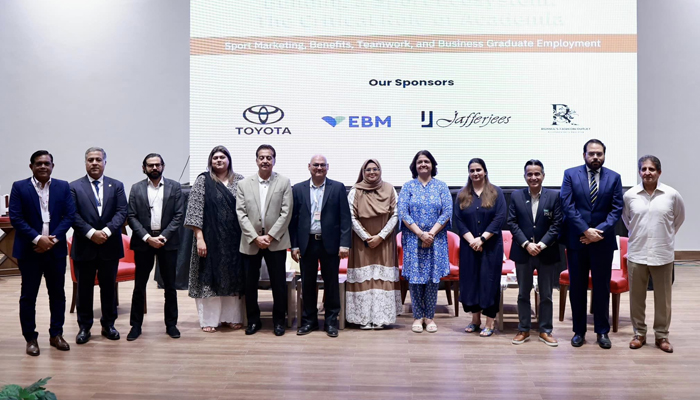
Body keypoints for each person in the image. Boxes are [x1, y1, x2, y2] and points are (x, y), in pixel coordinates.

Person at [9, 150, 76, 356]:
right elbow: (16, 218)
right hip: (29, 251)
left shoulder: (63, 186)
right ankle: (30, 338)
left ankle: (56, 334)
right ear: (31, 167)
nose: (43, 167)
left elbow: (70, 215)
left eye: (47, 163)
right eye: (39, 163)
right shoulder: (19, 187)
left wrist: (52, 240)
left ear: (52, 166)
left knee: (57, 294)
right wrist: (38, 239)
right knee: (28, 296)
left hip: (54, 251)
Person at [560, 139, 623, 349]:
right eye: (591, 153)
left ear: (604, 155)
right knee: (577, 287)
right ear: (584, 155)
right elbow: (567, 206)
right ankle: (579, 331)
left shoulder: (614, 177)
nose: (595, 157)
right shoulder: (570, 174)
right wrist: (586, 231)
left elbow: (616, 209)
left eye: (599, 154)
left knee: (602, 288)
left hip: (602, 243)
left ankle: (602, 332)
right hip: (578, 241)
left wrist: (599, 233)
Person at [623, 155, 685, 353]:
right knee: (636, 298)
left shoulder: (672, 195)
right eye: (644, 169)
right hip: (637, 254)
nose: (647, 173)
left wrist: (663, 237)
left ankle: (662, 336)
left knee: (663, 299)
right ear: (639, 172)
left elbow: (678, 219)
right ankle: (639, 333)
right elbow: (627, 220)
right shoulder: (630, 195)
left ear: (659, 172)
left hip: (662, 254)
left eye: (651, 169)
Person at [184, 145, 246, 333]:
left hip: (234, 241)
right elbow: (194, 210)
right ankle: (209, 320)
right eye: (215, 157)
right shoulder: (203, 181)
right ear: (210, 161)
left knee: (233, 279)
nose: (218, 160)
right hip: (209, 240)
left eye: (222, 157)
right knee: (208, 279)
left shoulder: (240, 181)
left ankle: (231, 317)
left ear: (229, 160)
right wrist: (200, 238)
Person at [70, 147, 128, 344]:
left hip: (109, 245)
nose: (94, 163)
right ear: (85, 163)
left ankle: (108, 325)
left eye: (98, 159)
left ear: (105, 162)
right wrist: (91, 233)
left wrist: (107, 232)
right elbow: (73, 215)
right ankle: (84, 327)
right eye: (90, 160)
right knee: (84, 289)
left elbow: (122, 212)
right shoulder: (74, 187)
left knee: (108, 288)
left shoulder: (117, 185)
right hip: (85, 246)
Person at [290, 154, 351, 338]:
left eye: (322, 165)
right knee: (307, 283)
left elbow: (345, 218)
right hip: (307, 242)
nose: (319, 168)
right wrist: (294, 246)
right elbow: (293, 221)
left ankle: (331, 321)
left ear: (328, 167)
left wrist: (344, 244)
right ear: (309, 166)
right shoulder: (298, 189)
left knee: (331, 284)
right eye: (315, 165)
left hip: (330, 244)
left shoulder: (338, 187)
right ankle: (309, 321)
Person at [126, 153, 184, 341]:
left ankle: (171, 325)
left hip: (167, 242)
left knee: (170, 286)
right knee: (139, 286)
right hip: (144, 243)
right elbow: (131, 216)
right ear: (144, 168)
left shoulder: (175, 187)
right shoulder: (136, 188)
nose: (154, 168)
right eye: (150, 165)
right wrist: (146, 237)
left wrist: (163, 236)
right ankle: (135, 326)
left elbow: (178, 216)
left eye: (158, 165)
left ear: (163, 166)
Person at [236, 145, 293, 336]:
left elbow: (286, 213)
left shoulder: (284, 182)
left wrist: (270, 236)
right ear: (256, 160)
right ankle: (253, 321)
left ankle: (279, 321)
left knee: (278, 284)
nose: (265, 161)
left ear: (274, 160)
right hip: (250, 242)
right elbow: (241, 213)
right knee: (250, 284)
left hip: (275, 241)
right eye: (262, 157)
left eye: (269, 157)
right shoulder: (244, 184)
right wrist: (254, 237)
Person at [507, 160, 563, 346]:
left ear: (543, 176)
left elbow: (557, 225)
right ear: (525, 177)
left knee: (546, 294)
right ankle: (524, 330)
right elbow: (512, 223)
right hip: (523, 253)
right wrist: (525, 244)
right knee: (523, 293)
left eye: (537, 174)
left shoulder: (554, 196)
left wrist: (541, 244)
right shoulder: (516, 196)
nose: (533, 177)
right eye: (529, 174)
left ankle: (545, 330)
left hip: (546, 253)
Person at [397, 150, 452, 334]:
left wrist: (431, 234)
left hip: (436, 240)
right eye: (420, 162)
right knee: (415, 278)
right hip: (413, 239)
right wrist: (421, 234)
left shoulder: (441, 186)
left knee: (431, 279)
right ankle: (417, 316)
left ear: (432, 165)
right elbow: (403, 212)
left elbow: (446, 212)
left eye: (427, 161)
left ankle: (429, 317)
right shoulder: (408, 187)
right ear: (415, 166)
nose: (423, 164)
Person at [453, 158, 506, 337]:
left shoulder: (496, 193)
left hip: (491, 247)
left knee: (489, 283)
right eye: (472, 170)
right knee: (471, 282)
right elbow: (458, 221)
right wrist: (472, 241)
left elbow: (499, 218)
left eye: (478, 170)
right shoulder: (462, 194)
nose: (475, 173)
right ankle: (475, 320)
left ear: (485, 171)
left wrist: (481, 239)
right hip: (469, 248)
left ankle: (490, 322)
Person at [346, 159, 401, 329]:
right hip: (361, 243)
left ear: (380, 170)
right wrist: (366, 237)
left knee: (381, 279)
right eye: (368, 169)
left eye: (375, 169)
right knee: (363, 279)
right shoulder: (355, 191)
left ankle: (380, 318)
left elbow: (395, 215)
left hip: (384, 243)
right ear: (363, 172)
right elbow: (351, 217)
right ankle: (362, 318)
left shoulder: (390, 189)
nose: (372, 172)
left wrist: (381, 236)